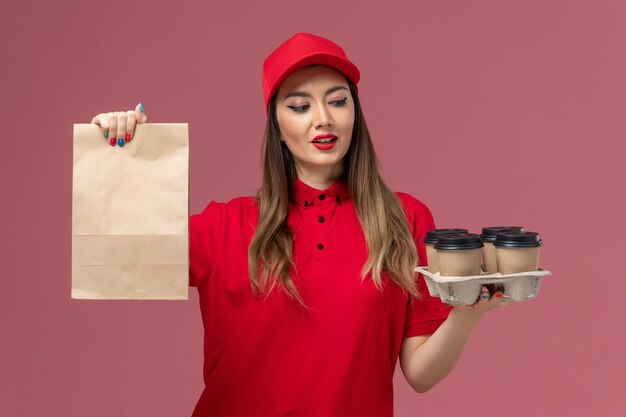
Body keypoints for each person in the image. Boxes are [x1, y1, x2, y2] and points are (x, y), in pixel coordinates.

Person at [91, 32, 510, 417]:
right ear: (276, 125)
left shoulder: (405, 220)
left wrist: (467, 314)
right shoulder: (224, 226)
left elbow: (419, 373)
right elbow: (111, 260)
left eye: (337, 100)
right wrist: (121, 160)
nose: (322, 118)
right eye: (299, 106)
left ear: (355, 113)